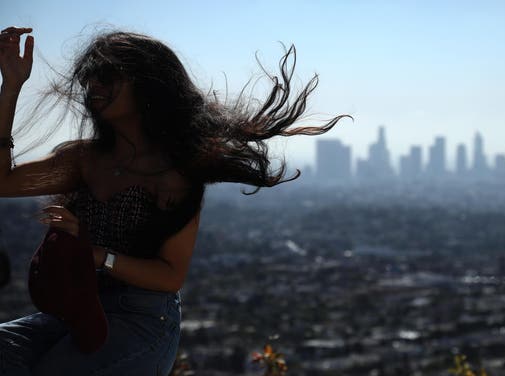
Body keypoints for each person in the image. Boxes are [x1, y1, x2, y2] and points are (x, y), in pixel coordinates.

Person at [0, 26, 347, 375]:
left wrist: (95, 255)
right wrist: (11, 86)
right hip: (79, 310)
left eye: (107, 76)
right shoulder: (83, 159)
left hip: (142, 320)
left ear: (146, 84)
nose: (94, 87)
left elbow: (170, 277)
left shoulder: (173, 173)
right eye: (90, 77)